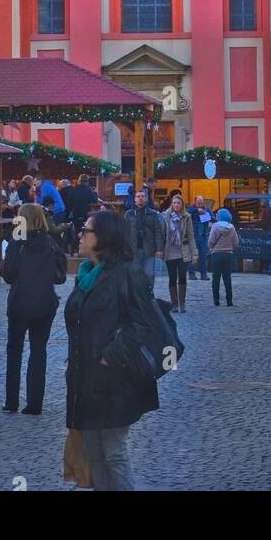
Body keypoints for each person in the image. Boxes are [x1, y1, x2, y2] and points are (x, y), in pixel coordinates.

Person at [64, 210, 159, 491]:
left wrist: (111, 355)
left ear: (104, 238)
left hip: (116, 378)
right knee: (93, 454)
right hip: (84, 378)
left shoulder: (128, 274)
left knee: (113, 452)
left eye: (86, 230)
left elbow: (143, 323)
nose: (80, 235)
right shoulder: (85, 276)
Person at [2, 204, 67, 415]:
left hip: (20, 303)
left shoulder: (16, 244)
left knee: (14, 351)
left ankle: (11, 401)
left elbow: (8, 275)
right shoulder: (51, 243)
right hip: (45, 303)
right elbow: (61, 276)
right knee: (39, 351)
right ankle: (35, 403)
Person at [160, 194, 197, 311]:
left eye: (178, 203)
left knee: (182, 276)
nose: (176, 205)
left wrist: (194, 252)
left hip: (183, 251)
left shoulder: (187, 217)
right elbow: (161, 234)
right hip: (170, 251)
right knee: (172, 278)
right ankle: (174, 303)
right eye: (174, 203)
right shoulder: (165, 216)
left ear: (182, 205)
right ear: (172, 204)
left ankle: (182, 303)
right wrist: (159, 250)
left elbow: (191, 236)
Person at [124, 189, 164, 291]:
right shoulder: (129, 214)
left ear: (146, 199)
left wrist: (159, 249)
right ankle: (137, 298)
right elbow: (124, 232)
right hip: (133, 249)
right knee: (135, 275)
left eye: (142, 196)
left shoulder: (153, 214)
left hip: (149, 249)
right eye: (138, 196)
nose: (140, 198)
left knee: (149, 274)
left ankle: (149, 295)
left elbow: (158, 232)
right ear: (134, 200)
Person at [207, 209, 239, 306]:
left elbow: (211, 241)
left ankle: (216, 300)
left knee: (216, 278)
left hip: (216, 254)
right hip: (228, 254)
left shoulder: (215, 226)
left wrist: (212, 248)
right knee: (227, 278)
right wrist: (230, 248)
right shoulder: (232, 228)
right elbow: (236, 242)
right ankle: (229, 301)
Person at [187, 195, 213, 281]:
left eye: (201, 203)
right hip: (193, 236)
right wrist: (196, 210)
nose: (200, 205)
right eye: (198, 203)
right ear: (195, 202)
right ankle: (191, 274)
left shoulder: (207, 210)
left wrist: (205, 214)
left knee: (203, 256)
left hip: (203, 236)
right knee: (192, 256)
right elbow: (186, 214)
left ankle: (203, 274)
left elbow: (214, 219)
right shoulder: (191, 209)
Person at [68, 174, 97, 238]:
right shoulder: (88, 190)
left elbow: (70, 201)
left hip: (75, 214)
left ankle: (76, 246)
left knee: (77, 231)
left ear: (79, 181)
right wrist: (95, 192)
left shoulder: (74, 189)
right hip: (85, 213)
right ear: (87, 182)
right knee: (85, 231)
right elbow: (94, 200)